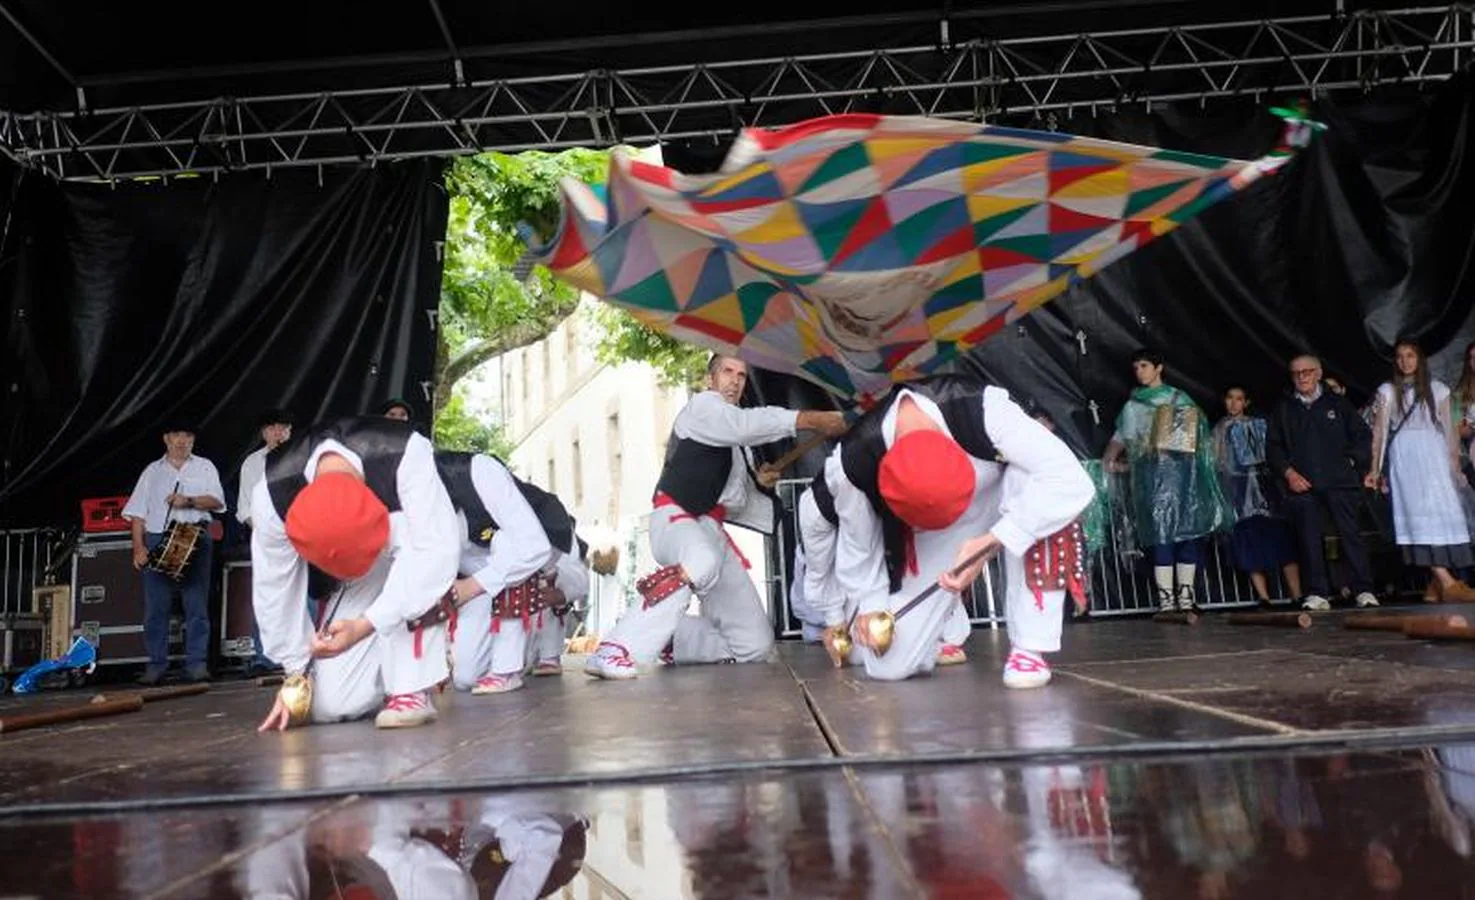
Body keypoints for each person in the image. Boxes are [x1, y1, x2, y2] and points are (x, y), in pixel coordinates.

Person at [584, 354, 848, 679]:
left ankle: (675, 639)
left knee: (755, 645)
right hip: (675, 517)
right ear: (711, 379)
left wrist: (756, 482)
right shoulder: (704, 408)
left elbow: (732, 499)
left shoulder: (737, 444)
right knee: (701, 560)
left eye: (741, 375)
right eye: (727, 371)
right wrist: (809, 420)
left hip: (711, 530)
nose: (735, 380)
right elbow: (744, 426)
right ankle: (617, 647)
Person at [829, 374, 1094, 687]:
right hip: (929, 534)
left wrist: (994, 540)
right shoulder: (853, 463)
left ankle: (1030, 647)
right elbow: (857, 543)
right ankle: (935, 635)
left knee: (1044, 488)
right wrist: (872, 604)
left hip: (1005, 495)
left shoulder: (984, 410)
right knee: (888, 665)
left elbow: (1071, 481)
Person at [251, 415, 460, 730]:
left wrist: (364, 625)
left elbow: (436, 551)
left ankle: (410, 684)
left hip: (414, 547)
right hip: (354, 580)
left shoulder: (406, 452)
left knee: (409, 537)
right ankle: (382, 673)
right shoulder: (271, 495)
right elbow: (274, 588)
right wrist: (296, 671)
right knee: (332, 706)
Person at [799, 451, 971, 664]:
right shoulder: (818, 511)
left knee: (935, 556)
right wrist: (835, 621)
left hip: (905, 511)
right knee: (862, 650)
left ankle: (945, 633)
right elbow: (821, 570)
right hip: (855, 558)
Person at [1103, 350, 1233, 612]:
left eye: (1144, 365)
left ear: (1158, 367)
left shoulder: (1178, 399)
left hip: (1185, 477)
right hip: (1151, 479)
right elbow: (1120, 437)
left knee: (1188, 534)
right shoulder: (1133, 405)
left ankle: (1186, 598)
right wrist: (1110, 460)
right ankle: (1166, 600)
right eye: (1136, 367)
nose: (1139, 371)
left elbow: (1198, 433)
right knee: (1161, 535)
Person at [433, 449, 562, 695]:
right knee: (466, 678)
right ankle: (519, 649)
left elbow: (533, 548)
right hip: (478, 573)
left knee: (509, 544)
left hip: (535, 546)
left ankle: (508, 668)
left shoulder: (478, 469)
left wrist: (470, 587)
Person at [1265, 355, 1379, 610]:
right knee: (1308, 539)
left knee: (1350, 535)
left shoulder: (1338, 403)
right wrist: (1289, 474)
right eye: (1296, 373)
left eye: (1307, 372)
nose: (1302, 377)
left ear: (1318, 373)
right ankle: (1318, 593)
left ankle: (1364, 590)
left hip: (1340, 482)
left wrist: (1351, 463)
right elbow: (1273, 448)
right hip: (1302, 485)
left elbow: (1362, 436)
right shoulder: (1284, 408)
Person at [1366, 340, 1475, 602]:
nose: (1405, 361)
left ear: (1420, 359)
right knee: (1417, 517)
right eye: (1400, 356)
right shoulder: (1388, 391)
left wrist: (1455, 465)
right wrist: (1375, 469)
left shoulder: (1438, 389)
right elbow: (1379, 432)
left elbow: (1450, 431)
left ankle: (1436, 585)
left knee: (1441, 515)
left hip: (1434, 456)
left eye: (1411, 355)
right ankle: (1448, 582)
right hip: (1406, 457)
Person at [122, 420, 226, 685]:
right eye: (177, 434)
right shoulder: (152, 472)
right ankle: (156, 666)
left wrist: (188, 500)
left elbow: (218, 501)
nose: (182, 440)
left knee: (196, 606)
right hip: (158, 536)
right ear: (166, 438)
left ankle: (196, 665)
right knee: (157, 607)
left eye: (187, 434)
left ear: (193, 440)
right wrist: (139, 547)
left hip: (194, 536)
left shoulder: (205, 466)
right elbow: (136, 513)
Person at [1212, 387, 1302, 607]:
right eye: (1230, 398)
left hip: (1266, 492)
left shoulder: (1259, 425)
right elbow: (1216, 462)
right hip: (1238, 494)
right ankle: (1263, 597)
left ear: (1246, 402)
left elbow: (1270, 455)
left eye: (1239, 399)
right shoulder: (1218, 429)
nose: (1234, 403)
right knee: (1249, 543)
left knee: (1282, 542)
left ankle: (1297, 595)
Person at [235, 408, 294, 673]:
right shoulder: (252, 463)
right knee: (267, 596)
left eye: (282, 427)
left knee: (303, 595)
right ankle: (264, 657)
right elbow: (244, 507)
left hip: (300, 535)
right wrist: (265, 533)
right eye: (272, 428)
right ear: (263, 433)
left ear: (290, 431)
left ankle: (303, 654)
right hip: (266, 538)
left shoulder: (302, 458)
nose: (277, 433)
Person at [528, 535, 591, 676]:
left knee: (551, 603)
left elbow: (575, 575)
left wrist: (562, 592)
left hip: (548, 593)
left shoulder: (559, 529)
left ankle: (549, 655)